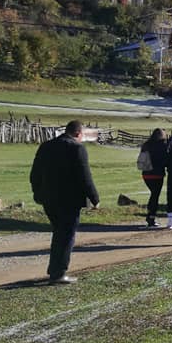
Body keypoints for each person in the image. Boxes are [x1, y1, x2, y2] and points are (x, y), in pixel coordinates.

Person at [29, 120, 100, 284]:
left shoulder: (46, 146)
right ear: (78, 133)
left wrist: (38, 193)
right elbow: (85, 177)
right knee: (66, 235)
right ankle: (58, 273)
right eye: (82, 135)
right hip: (69, 200)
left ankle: (54, 269)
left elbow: (34, 174)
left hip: (48, 198)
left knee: (59, 232)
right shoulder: (76, 148)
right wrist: (94, 198)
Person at [139, 128, 168, 227]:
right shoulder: (163, 145)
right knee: (155, 196)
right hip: (158, 174)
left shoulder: (146, 144)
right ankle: (151, 217)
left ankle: (150, 215)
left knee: (153, 194)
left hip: (146, 174)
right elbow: (165, 160)